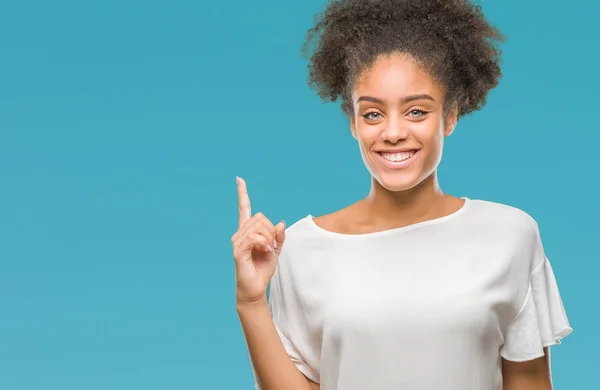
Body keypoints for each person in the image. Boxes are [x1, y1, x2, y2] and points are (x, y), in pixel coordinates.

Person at [231, 0, 573, 389]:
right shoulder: (299, 248)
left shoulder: (510, 235)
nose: (392, 132)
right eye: (373, 113)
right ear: (353, 123)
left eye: (416, 111)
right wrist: (251, 303)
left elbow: (528, 384)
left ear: (451, 115)